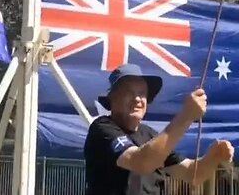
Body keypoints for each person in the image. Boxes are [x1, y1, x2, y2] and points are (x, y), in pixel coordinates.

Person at [84, 63, 234, 195]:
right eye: (128, 92)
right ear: (112, 99)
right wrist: (186, 117)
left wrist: (213, 158)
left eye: (142, 93)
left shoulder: (151, 135)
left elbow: (192, 173)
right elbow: (142, 162)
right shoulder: (103, 128)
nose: (137, 99)